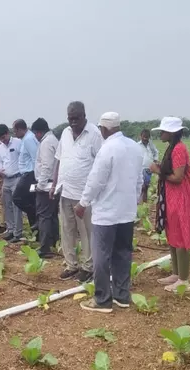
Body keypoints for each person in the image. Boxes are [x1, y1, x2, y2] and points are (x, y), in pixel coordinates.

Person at [76, 112, 143, 313]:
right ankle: (122, 295)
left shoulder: (107, 149)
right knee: (123, 253)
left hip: (106, 213)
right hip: (126, 211)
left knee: (101, 256)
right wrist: (134, 200)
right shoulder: (134, 147)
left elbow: (96, 180)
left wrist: (83, 203)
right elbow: (139, 179)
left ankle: (102, 299)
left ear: (104, 129)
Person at [50, 101, 103, 283]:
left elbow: (101, 164)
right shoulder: (65, 133)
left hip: (84, 195)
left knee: (87, 231)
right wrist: (53, 183)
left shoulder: (94, 134)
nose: (73, 122)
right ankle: (71, 264)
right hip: (65, 191)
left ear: (84, 116)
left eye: (76, 118)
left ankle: (88, 267)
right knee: (67, 230)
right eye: (70, 119)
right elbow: (58, 160)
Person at [149, 117, 190, 293]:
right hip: (171, 197)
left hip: (181, 197)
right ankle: (176, 274)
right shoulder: (172, 148)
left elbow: (177, 177)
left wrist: (157, 172)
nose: (160, 134)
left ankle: (184, 280)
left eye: (162, 131)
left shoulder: (178, 150)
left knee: (181, 236)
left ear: (171, 132)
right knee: (173, 234)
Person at [31, 118, 59, 258]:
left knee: (44, 217)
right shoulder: (53, 140)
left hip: (47, 184)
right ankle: (54, 242)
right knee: (52, 215)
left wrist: (40, 185)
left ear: (40, 132)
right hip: (52, 183)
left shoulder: (47, 143)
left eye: (35, 133)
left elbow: (47, 166)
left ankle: (45, 248)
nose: (35, 136)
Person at [0, 124, 23, 243]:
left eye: (3, 137)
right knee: (7, 205)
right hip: (5, 179)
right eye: (0, 138)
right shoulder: (1, 147)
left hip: (16, 177)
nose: (3, 140)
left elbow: (22, 158)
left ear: (8, 133)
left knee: (16, 205)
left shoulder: (17, 143)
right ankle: (10, 229)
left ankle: (17, 232)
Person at [12, 119, 38, 232]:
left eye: (15, 131)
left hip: (30, 174)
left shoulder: (28, 139)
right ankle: (36, 232)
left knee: (17, 198)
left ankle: (37, 215)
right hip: (28, 174)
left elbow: (35, 158)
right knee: (30, 201)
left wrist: (36, 177)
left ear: (20, 129)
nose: (14, 134)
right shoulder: (26, 138)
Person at [138, 129, 159, 203]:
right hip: (140, 168)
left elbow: (156, 152)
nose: (145, 138)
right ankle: (139, 202)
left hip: (149, 168)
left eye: (146, 137)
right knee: (141, 186)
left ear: (149, 137)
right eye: (143, 137)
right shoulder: (137, 145)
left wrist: (155, 160)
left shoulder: (151, 145)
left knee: (146, 186)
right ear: (140, 136)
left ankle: (144, 202)